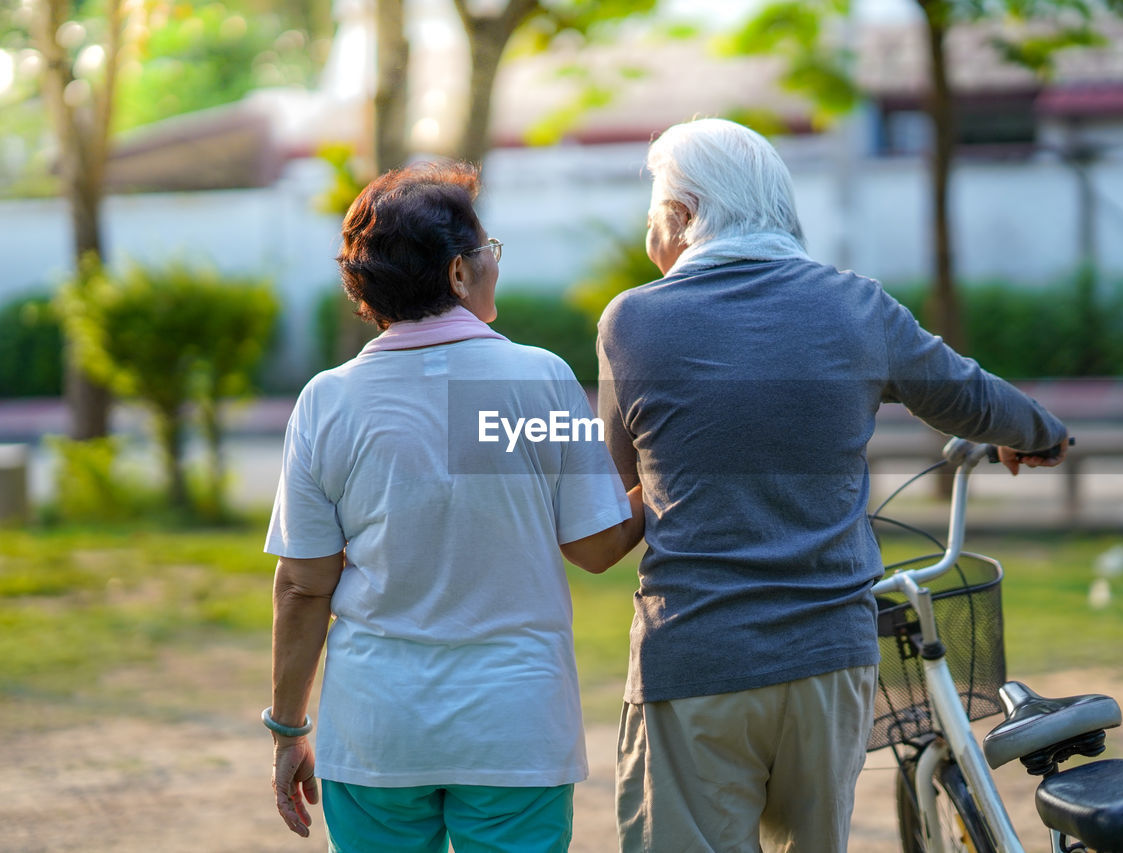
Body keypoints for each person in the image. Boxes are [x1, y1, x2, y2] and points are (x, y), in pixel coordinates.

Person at [596, 118, 1069, 852]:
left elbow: (619, 485)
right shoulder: (857, 307)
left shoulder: (633, 322)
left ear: (685, 215)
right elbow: (969, 394)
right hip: (831, 658)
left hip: (695, 656)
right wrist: (1039, 434)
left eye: (657, 210)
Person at [263, 162, 643, 852]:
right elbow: (596, 545)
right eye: (487, 251)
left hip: (377, 731)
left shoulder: (327, 400)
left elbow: (301, 583)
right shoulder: (542, 381)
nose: (493, 265)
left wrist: (289, 728)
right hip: (516, 726)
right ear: (460, 275)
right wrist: (666, 479)